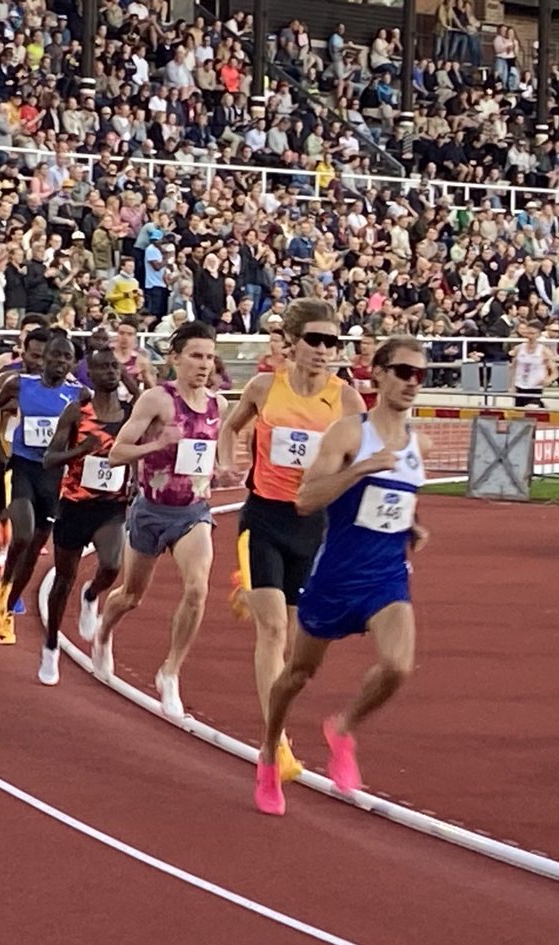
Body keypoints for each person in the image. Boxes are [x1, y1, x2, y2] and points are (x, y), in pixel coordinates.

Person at [254, 336, 431, 817]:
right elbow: (306, 500)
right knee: (298, 674)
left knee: (398, 666)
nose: (412, 382)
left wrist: (412, 526)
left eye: (420, 375)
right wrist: (362, 468)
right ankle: (269, 751)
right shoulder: (349, 435)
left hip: (386, 577)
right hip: (335, 577)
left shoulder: (419, 444)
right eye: (403, 372)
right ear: (379, 374)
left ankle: (344, 728)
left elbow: (396, 501)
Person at [219, 298, 365, 783]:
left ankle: (248, 588)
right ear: (293, 343)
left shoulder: (347, 400)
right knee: (274, 630)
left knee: (302, 636)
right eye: (315, 340)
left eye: (332, 342)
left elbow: (362, 462)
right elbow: (230, 427)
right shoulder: (265, 387)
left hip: (314, 526)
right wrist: (226, 462)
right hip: (264, 518)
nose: (324, 350)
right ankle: (276, 740)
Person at [92, 321, 232, 718]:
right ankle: (103, 632)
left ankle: (170, 672)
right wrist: (157, 444)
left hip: (193, 513)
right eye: (196, 356)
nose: (204, 365)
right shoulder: (157, 400)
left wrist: (222, 469)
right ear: (175, 358)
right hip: (151, 511)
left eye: (209, 357)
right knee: (131, 596)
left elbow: (216, 452)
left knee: (198, 589)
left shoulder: (218, 405)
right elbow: (116, 454)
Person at [37, 348, 133, 686]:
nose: (111, 372)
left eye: (115, 366)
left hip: (111, 506)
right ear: (89, 374)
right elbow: (49, 459)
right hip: (75, 506)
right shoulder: (77, 412)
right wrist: (80, 450)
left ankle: (92, 594)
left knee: (112, 565)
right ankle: (51, 645)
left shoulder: (130, 414)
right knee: (63, 579)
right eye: (102, 367)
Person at [0, 329, 85, 644]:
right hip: (23, 468)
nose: (59, 361)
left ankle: (9, 605)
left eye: (66, 357)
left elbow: (104, 414)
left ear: (72, 363)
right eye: (55, 355)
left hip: (53, 477)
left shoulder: (79, 394)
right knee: (23, 534)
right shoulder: (20, 384)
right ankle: (3, 587)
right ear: (45, 358)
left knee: (35, 545)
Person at [0, 313, 48, 599]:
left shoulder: (55, 384)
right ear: (23, 352)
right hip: (2, 457)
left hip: (34, 464)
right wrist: (8, 404)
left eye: (43, 357)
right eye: (34, 356)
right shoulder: (7, 377)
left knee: (26, 526)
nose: (38, 362)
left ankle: (9, 586)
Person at [509, 320, 558, 408]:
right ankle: (542, 407)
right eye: (528, 333)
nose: (530, 336)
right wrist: (511, 385)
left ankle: (540, 405)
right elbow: (513, 367)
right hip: (520, 386)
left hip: (535, 387)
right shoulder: (519, 348)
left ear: (538, 335)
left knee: (531, 408)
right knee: (519, 412)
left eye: (533, 333)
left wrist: (548, 380)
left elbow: (555, 372)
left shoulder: (544, 351)